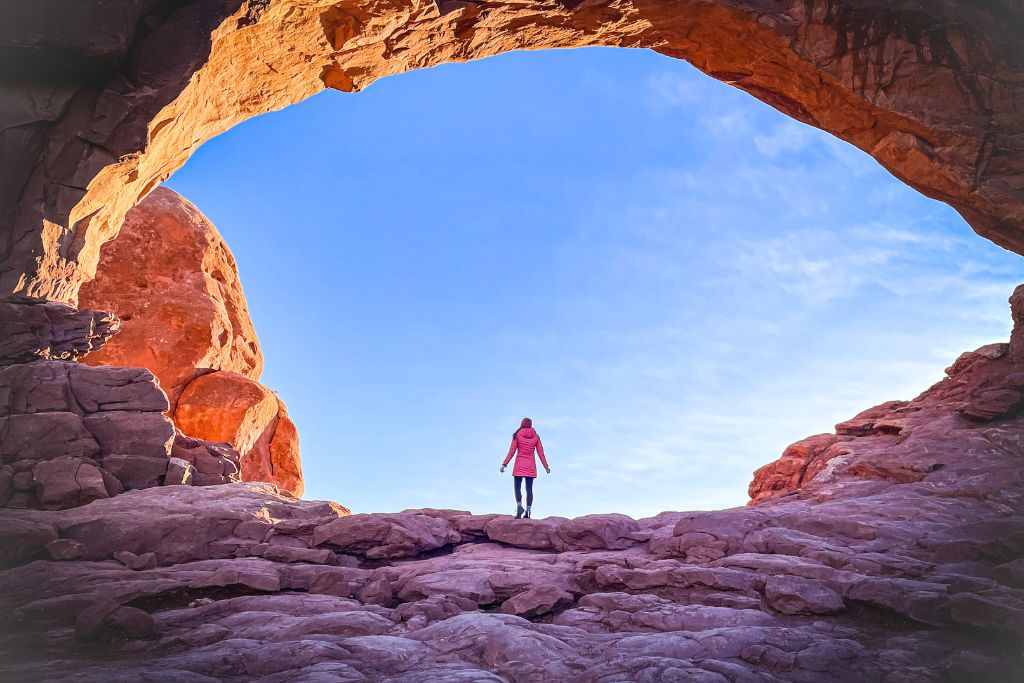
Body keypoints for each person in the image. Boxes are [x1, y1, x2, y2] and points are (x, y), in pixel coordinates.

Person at [500, 417, 550, 518]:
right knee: (529, 489)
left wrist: (504, 464)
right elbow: (541, 453)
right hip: (531, 466)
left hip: (519, 465)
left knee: (517, 487)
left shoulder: (517, 434)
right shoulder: (536, 436)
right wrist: (546, 466)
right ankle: (528, 511)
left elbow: (512, 451)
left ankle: (519, 505)